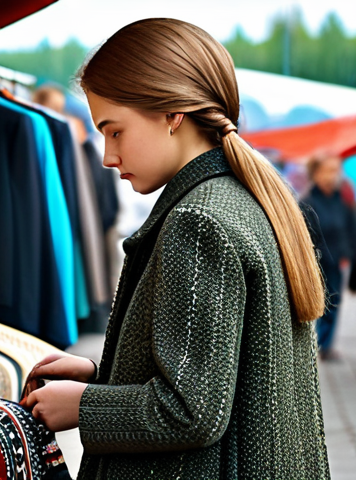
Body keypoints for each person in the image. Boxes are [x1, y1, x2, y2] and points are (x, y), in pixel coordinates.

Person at [21, 19, 330, 479]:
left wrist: (84, 406)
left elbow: (190, 410)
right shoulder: (242, 199)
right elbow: (218, 370)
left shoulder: (198, 221)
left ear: (173, 114)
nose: (107, 155)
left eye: (115, 131)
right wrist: (101, 375)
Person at [302, 154, 356, 361]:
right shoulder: (307, 202)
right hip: (316, 262)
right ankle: (313, 344)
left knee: (334, 303)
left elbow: (350, 228)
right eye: (330, 170)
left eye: (337, 170)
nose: (335, 175)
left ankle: (325, 346)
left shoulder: (340, 201)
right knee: (317, 304)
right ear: (316, 173)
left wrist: (349, 252)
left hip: (336, 261)